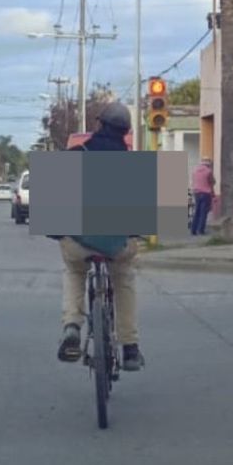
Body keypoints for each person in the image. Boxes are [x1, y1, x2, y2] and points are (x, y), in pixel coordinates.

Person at [54, 102, 144, 372]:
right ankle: (130, 347)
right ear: (126, 131)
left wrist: (58, 232)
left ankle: (72, 326)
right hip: (118, 245)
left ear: (99, 125)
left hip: (78, 242)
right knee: (124, 277)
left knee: (74, 271)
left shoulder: (74, 154)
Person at [190, 158, 214, 235]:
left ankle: (193, 229)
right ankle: (200, 230)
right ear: (208, 164)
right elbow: (212, 182)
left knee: (197, 211)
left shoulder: (194, 170)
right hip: (206, 193)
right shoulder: (208, 171)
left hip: (196, 193)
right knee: (203, 212)